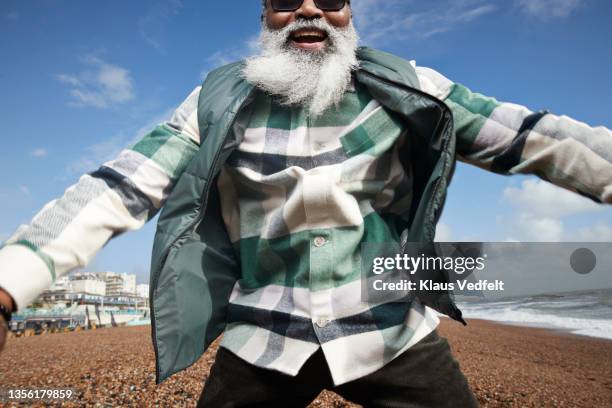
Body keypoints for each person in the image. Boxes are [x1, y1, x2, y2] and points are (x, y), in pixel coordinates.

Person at [1, 0, 611, 406]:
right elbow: (124, 182)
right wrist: (9, 284)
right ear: (266, 14)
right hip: (261, 335)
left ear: (349, 15)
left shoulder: (410, 87)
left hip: (391, 329)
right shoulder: (213, 101)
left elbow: (535, 139)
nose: (310, 8)